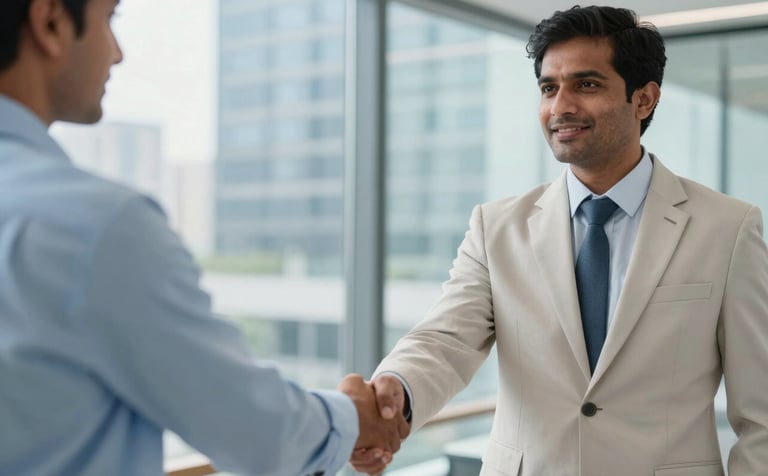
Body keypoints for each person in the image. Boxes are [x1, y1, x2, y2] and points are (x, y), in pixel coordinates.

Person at [350, 5, 768, 476]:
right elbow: (446, 339)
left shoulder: (728, 228)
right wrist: (395, 390)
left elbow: (762, 413)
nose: (560, 106)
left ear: (644, 99)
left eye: (586, 85)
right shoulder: (496, 227)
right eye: (549, 88)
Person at [0, 0, 407, 475]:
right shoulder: (95, 226)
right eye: (109, 19)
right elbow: (258, 432)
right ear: (50, 23)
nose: (117, 53)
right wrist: (356, 417)